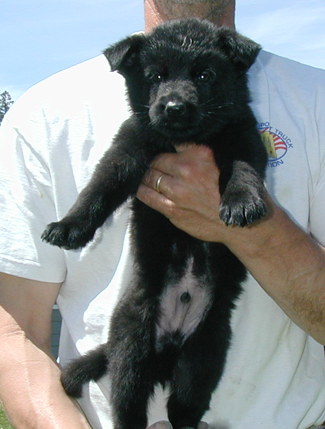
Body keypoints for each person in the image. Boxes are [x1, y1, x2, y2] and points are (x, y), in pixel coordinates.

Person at [0, 0, 325, 428]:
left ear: (233, 69)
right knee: (133, 342)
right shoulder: (44, 114)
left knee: (206, 348)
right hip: (145, 311)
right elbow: (14, 330)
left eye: (203, 77)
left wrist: (254, 227)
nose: (176, 99)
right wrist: (80, 222)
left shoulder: (312, 99)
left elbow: (244, 157)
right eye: (157, 78)